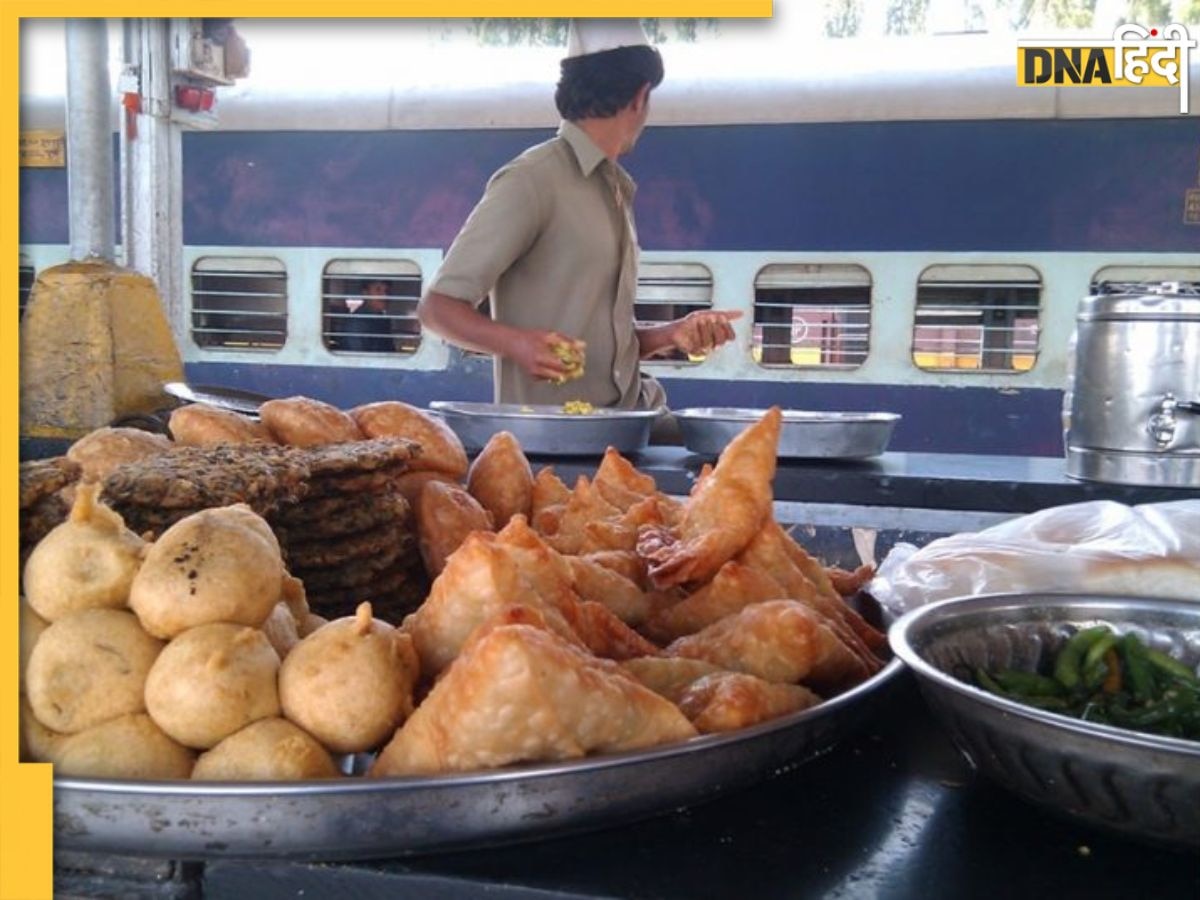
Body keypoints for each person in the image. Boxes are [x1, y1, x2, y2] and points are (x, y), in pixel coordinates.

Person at [417, 18, 741, 428]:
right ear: (640, 98)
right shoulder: (532, 180)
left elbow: (605, 342)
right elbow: (437, 309)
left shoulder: (614, 188)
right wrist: (518, 344)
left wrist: (671, 334)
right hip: (559, 438)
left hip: (629, 422)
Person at [337, 279, 397, 353]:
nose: (385, 295)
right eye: (378, 290)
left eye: (387, 290)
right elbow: (357, 358)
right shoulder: (356, 323)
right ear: (365, 293)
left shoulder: (383, 320)